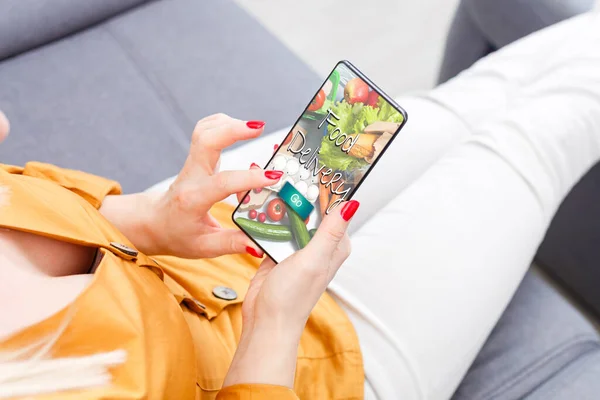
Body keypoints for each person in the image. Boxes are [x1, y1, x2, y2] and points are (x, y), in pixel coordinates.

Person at [1, 6, 599, 400]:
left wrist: (151, 221)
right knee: (541, 134)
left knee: (454, 106)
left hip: (201, 249)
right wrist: (275, 322)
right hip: (311, 366)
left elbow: (54, 214)